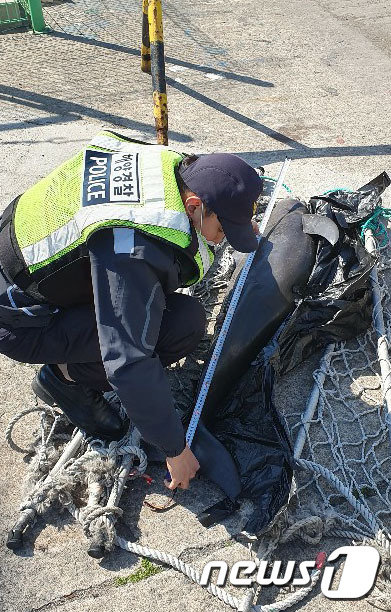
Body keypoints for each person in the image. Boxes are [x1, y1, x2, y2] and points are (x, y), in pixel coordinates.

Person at [0, 130, 262, 491]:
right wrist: (175, 449)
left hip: (34, 265)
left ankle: (71, 357)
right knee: (178, 327)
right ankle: (64, 378)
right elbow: (128, 359)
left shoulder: (169, 167)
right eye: (223, 227)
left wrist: (239, 223)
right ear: (195, 206)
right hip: (21, 319)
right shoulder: (130, 247)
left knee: (179, 316)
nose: (223, 238)